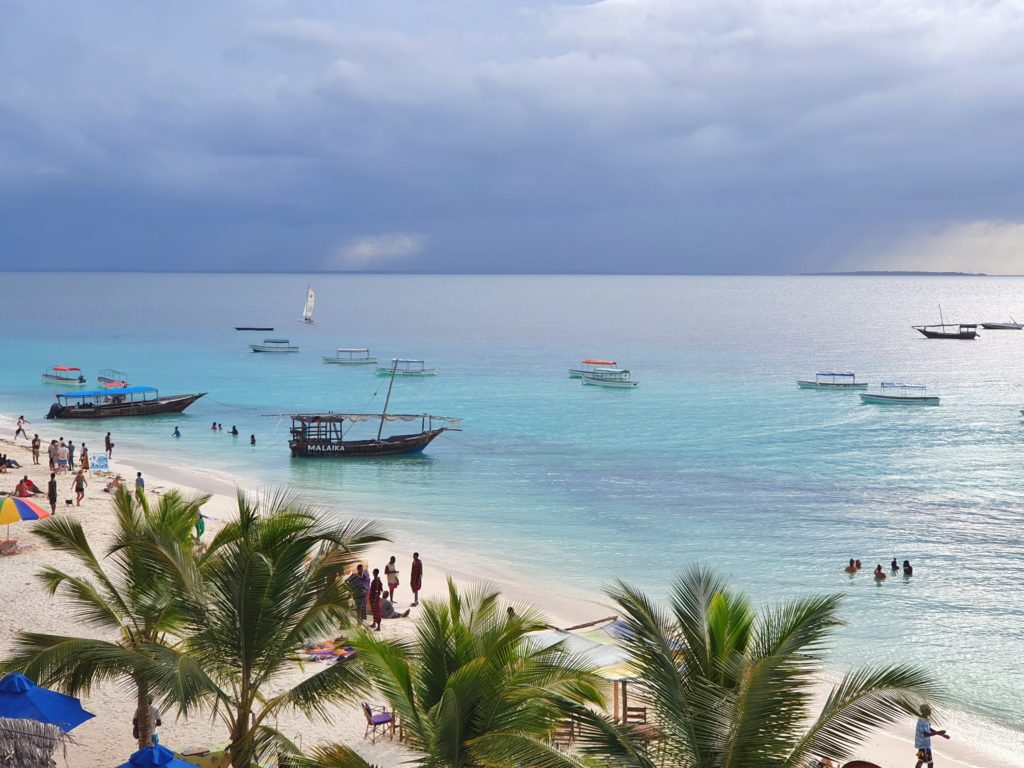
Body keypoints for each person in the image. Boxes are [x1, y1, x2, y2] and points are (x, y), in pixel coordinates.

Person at [914, 704, 949, 768]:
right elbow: (925, 734)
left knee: (921, 760)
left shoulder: (925, 719)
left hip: (923, 744)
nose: (930, 711)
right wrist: (938, 732)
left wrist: (942, 735)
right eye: (929, 710)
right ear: (925, 711)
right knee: (930, 763)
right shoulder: (922, 720)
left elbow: (929, 729)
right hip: (923, 744)